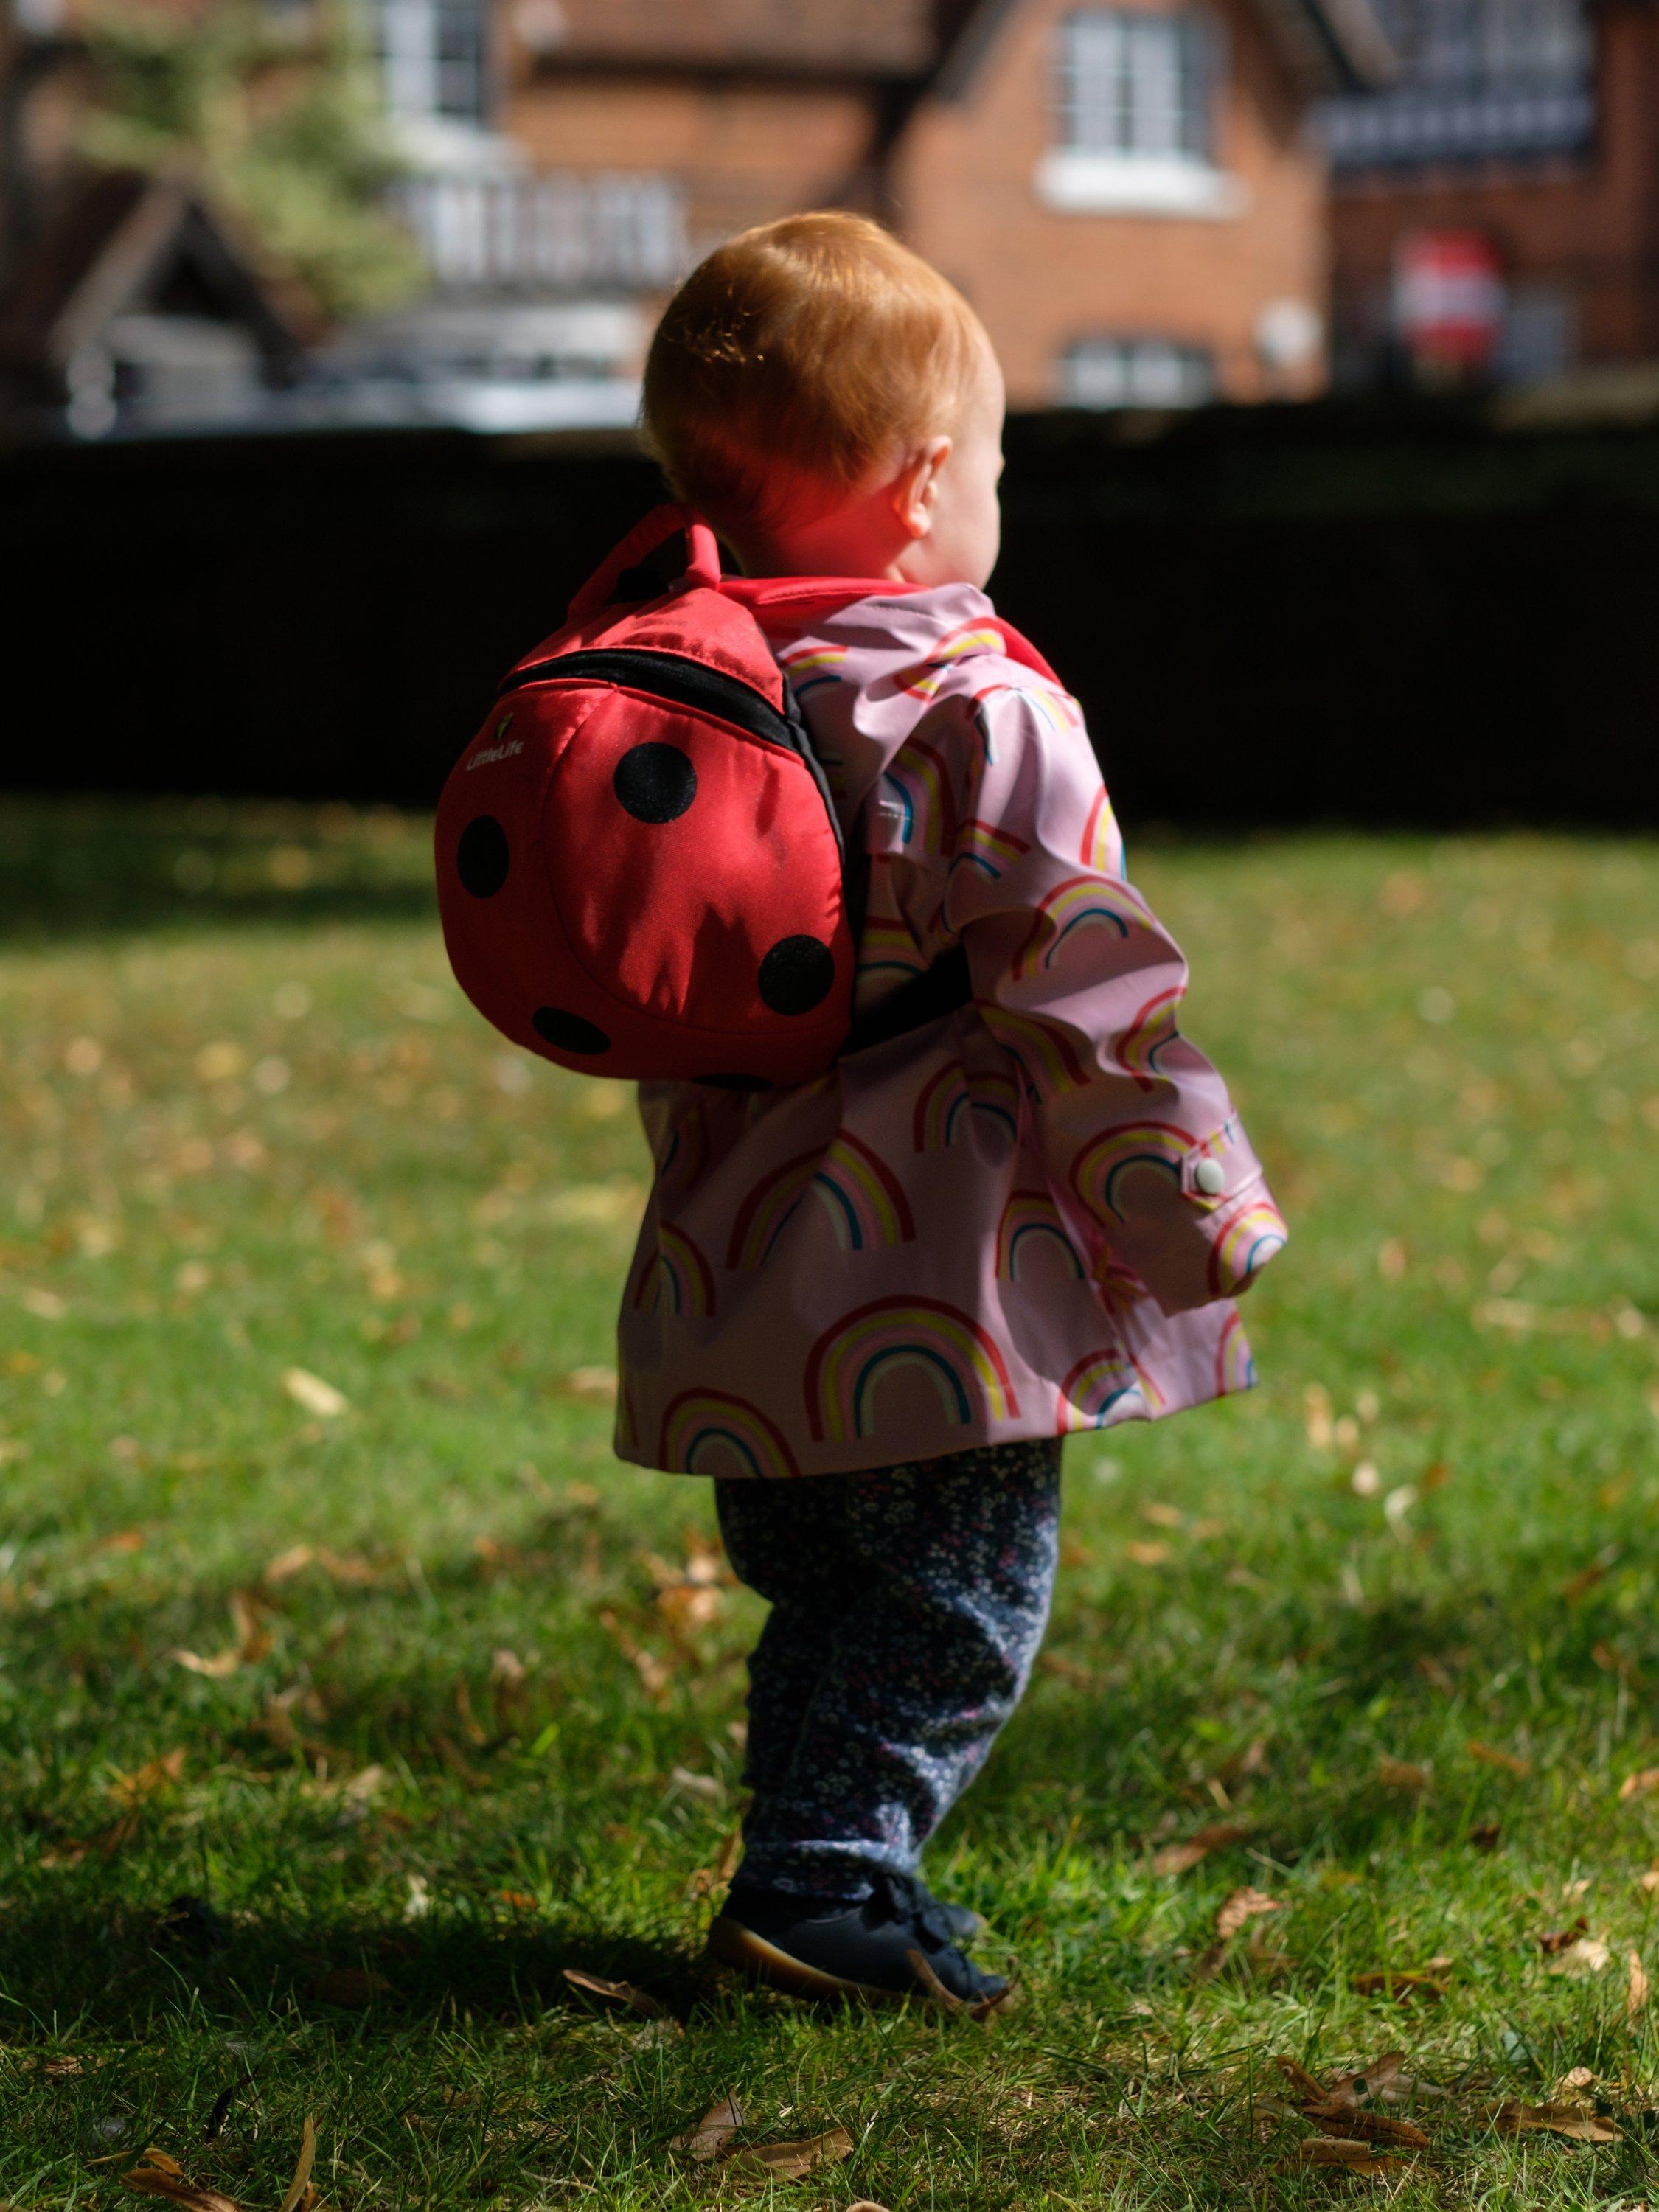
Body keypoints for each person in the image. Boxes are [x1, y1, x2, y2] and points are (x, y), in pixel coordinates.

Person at [616, 212, 1287, 2009]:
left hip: (743, 1285)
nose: (1000, 488)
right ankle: (829, 1888)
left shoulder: (693, 690)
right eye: (995, 456)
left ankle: (807, 1878)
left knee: (832, 1605)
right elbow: (1091, 988)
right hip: (934, 1293)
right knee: (952, 1612)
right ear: (923, 485)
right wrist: (1195, 1212)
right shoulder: (978, 711)